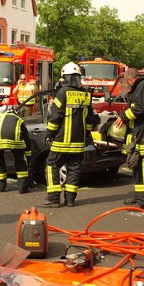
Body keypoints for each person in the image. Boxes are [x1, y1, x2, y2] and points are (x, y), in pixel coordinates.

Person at [41, 61, 97, 207]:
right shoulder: (86, 94)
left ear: (65, 77)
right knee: (74, 167)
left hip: (62, 139)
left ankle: (53, 198)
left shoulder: (62, 92)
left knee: (52, 164)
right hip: (79, 141)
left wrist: (49, 133)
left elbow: (56, 116)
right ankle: (70, 199)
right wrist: (87, 134)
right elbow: (90, 118)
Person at [114, 68, 144, 209]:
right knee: (137, 168)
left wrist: (123, 117)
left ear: (129, 79)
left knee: (143, 169)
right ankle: (139, 196)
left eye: (126, 83)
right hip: (140, 135)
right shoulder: (139, 88)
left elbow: (140, 108)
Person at [0, 108, 32, 193]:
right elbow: (26, 140)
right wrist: (28, 157)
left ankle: (1, 187)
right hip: (15, 141)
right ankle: (23, 188)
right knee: (20, 162)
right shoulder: (19, 120)